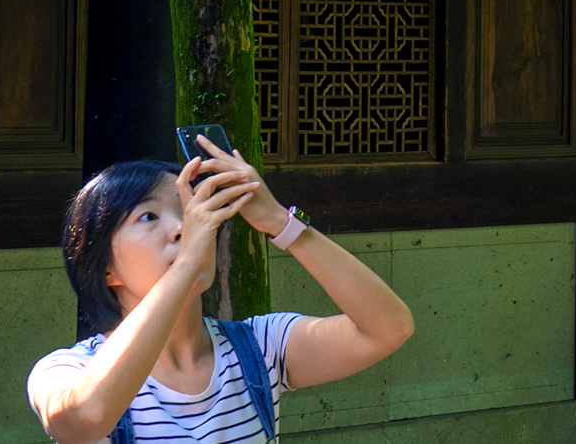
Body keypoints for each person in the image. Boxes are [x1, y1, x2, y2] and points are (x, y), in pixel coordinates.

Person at [28, 137, 414, 442]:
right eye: (148, 216)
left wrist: (281, 222)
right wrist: (185, 266)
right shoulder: (68, 370)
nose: (186, 227)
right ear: (106, 268)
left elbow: (389, 327)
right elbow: (87, 417)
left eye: (191, 211)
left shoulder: (260, 347)